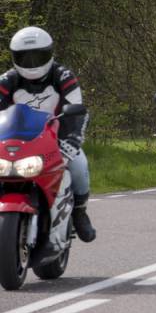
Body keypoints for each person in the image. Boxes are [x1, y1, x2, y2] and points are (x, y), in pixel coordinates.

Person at [0, 27, 96, 243]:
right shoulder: (7, 80)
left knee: (79, 164)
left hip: (57, 141)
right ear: (15, 57)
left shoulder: (63, 76)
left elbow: (77, 111)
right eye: (25, 57)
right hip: (16, 143)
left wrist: (71, 142)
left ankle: (80, 212)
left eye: (38, 56)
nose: (32, 63)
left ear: (49, 53)